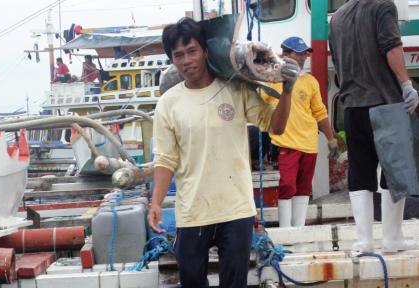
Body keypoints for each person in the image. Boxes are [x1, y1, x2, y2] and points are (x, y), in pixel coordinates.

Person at [148, 18, 299, 288]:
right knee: (192, 282)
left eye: (192, 51)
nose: (186, 60)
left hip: (236, 210)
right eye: (178, 55)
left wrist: (287, 91)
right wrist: (156, 202)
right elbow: (165, 159)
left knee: (235, 283)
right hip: (193, 212)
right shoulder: (168, 104)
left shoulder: (236, 88)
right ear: (173, 60)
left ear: (206, 51)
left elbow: (275, 126)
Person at [329, 0, 419, 252]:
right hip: (386, 103)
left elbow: (337, 64)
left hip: (353, 109)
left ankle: (364, 241)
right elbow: (392, 47)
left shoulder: (336, 18)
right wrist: (406, 83)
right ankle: (392, 239)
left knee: (359, 172)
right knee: (394, 171)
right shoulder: (383, 6)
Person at [262, 37, 338, 227]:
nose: (303, 57)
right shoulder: (271, 79)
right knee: (287, 185)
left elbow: (319, 112)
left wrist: (331, 139)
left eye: (305, 53)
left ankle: (299, 229)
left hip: (309, 144)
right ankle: (286, 230)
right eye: (298, 53)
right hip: (285, 142)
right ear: (285, 54)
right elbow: (260, 106)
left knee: (304, 189)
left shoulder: (310, 81)